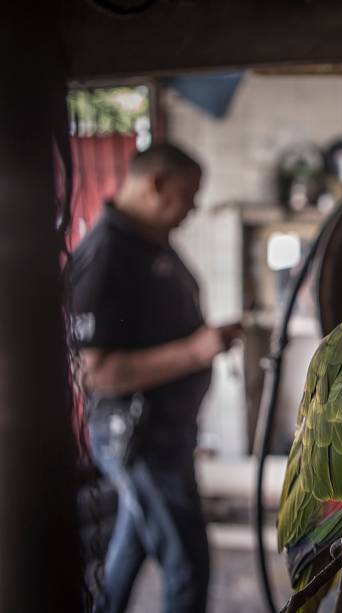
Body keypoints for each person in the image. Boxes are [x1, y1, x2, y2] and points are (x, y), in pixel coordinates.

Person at [70, 143, 241, 613]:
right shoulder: (107, 254)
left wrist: (205, 339)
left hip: (165, 433)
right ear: (157, 184)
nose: (193, 208)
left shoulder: (148, 242)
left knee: (132, 545)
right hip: (139, 436)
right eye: (188, 195)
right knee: (186, 559)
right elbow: (97, 372)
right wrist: (194, 350)